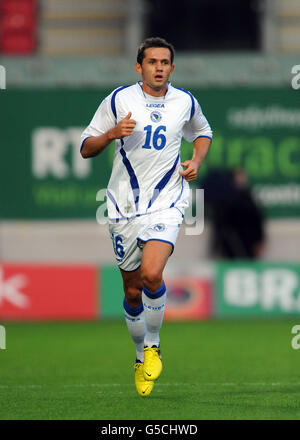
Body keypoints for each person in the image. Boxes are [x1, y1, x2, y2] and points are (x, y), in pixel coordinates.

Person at [80, 37, 212, 397]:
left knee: (153, 273)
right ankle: (139, 356)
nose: (159, 67)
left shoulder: (185, 101)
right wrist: (111, 134)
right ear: (138, 67)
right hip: (123, 206)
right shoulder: (119, 99)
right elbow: (86, 148)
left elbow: (202, 132)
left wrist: (196, 161)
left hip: (167, 201)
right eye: (151, 62)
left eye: (165, 62)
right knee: (133, 289)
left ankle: (153, 344)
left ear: (172, 67)